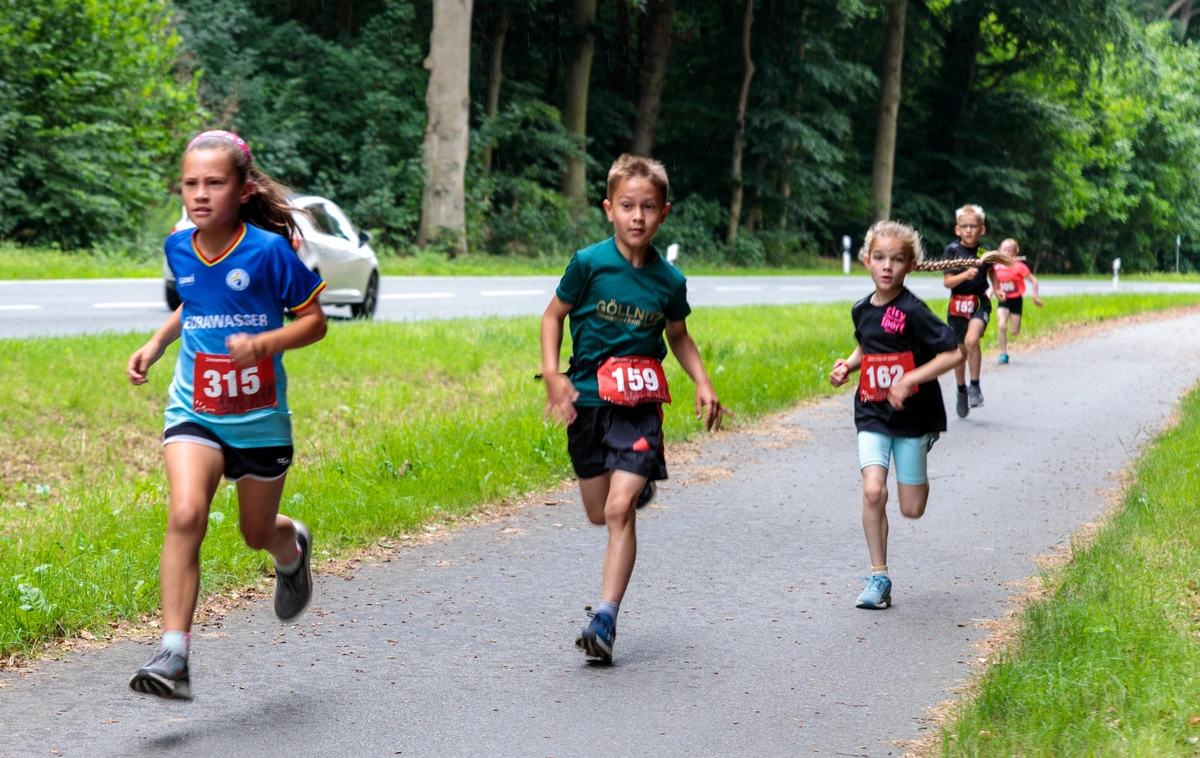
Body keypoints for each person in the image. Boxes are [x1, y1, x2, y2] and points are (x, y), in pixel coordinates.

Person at [125, 130, 328, 699]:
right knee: (186, 512)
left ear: (242, 190)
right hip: (196, 406)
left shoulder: (269, 252)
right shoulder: (179, 244)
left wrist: (265, 344)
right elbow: (197, 299)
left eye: (214, 182)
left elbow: (314, 321)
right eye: (191, 183)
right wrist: (159, 341)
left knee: (254, 531)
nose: (200, 194)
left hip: (259, 416)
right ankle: (173, 655)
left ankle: (291, 552)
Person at [540, 154, 727, 663]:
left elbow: (679, 335)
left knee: (620, 510)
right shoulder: (588, 264)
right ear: (609, 209)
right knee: (599, 513)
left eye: (648, 207)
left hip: (639, 406)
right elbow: (552, 316)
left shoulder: (669, 280)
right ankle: (633, 481)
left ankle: (605, 618)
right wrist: (554, 374)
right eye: (627, 206)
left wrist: (704, 382)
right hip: (587, 401)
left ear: (664, 213)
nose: (638, 216)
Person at [830, 221, 964, 609]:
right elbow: (866, 346)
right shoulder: (861, 309)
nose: (887, 267)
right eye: (880, 258)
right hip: (872, 412)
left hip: (913, 419)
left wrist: (909, 380)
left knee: (912, 509)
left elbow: (955, 353)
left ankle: (924, 447)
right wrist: (848, 367)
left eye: (897, 260)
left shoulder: (914, 311)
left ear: (910, 266)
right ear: (867, 261)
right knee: (873, 491)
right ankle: (879, 576)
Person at [939, 204, 997, 418]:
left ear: (982, 229)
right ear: (957, 229)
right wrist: (964, 275)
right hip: (957, 306)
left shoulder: (984, 251)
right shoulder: (952, 251)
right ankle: (961, 389)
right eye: (965, 226)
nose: (969, 230)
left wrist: (996, 289)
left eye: (974, 226)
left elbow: (992, 271)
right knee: (960, 352)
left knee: (973, 341)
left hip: (980, 303)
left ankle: (975, 386)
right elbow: (947, 282)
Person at [992, 238, 1042, 364]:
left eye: (1009, 250)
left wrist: (1035, 297)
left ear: (1015, 253)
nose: (1006, 252)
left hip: (1016, 301)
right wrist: (986, 297)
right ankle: (1003, 354)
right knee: (1002, 326)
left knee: (1014, 331)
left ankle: (1011, 333)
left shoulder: (1019, 267)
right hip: (1003, 301)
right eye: (1004, 249)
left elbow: (1034, 281)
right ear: (999, 250)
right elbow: (993, 285)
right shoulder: (996, 268)